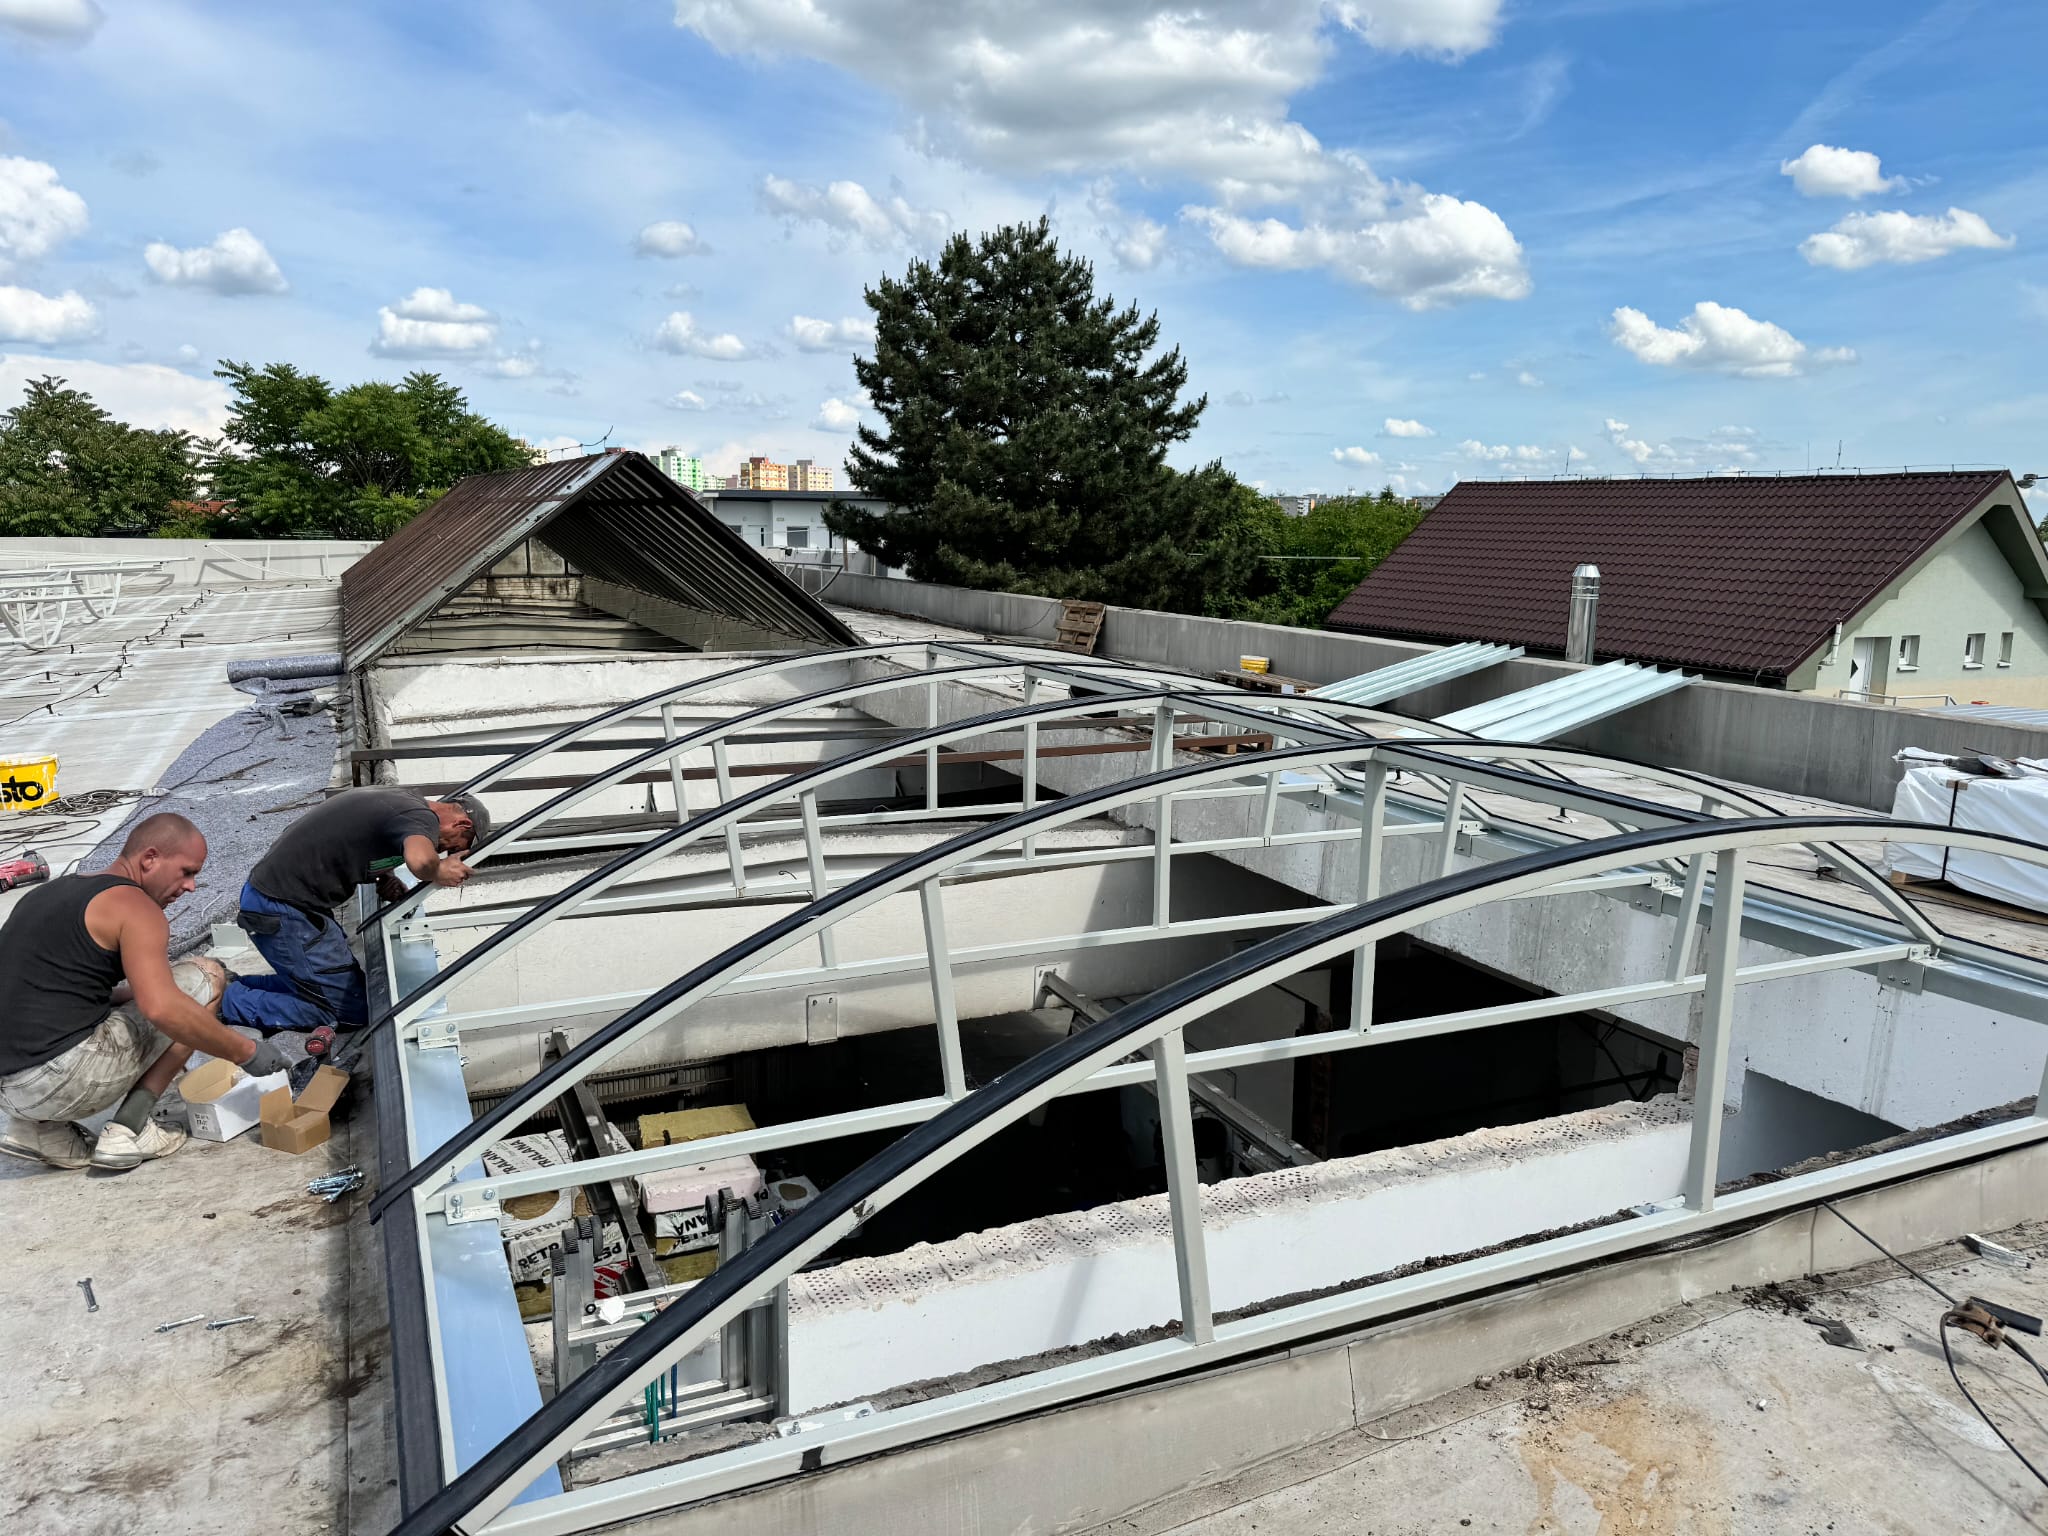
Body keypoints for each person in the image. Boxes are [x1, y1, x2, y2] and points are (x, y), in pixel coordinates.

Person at [0, 812, 292, 1172]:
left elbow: (51, 994)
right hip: (63, 1078)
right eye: (186, 872)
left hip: (10, 1091)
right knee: (207, 975)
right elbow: (163, 1009)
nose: (191, 887)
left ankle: (40, 1132)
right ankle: (131, 1128)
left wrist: (133, 994)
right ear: (150, 858)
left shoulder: (47, 895)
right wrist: (246, 1052)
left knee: (157, 987)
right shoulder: (137, 907)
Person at [219, 786, 489, 1035]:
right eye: (454, 846)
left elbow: (365, 839)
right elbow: (420, 860)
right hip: (283, 908)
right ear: (462, 824)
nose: (443, 850)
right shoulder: (422, 818)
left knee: (338, 989)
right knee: (349, 1012)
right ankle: (221, 1004)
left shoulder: (404, 801)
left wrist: (385, 876)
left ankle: (230, 987)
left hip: (280, 898)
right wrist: (438, 871)